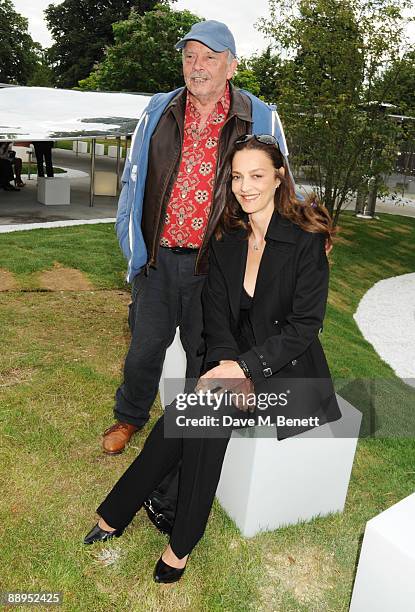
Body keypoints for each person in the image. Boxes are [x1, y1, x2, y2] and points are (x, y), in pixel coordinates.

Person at [84, 134, 342, 583]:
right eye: (237, 176)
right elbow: (216, 318)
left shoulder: (305, 241)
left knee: (200, 411)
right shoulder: (227, 238)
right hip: (235, 360)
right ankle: (156, 528)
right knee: (195, 412)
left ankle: (158, 531)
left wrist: (244, 369)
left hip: (290, 374)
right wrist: (225, 364)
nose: (246, 187)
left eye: (257, 175)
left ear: (279, 177)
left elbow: (305, 328)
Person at [102, 20, 292, 533]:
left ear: (231, 64)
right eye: (189, 57)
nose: (197, 66)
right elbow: (134, 177)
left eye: (209, 57)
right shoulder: (159, 109)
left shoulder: (259, 116)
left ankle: (184, 440)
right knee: (144, 347)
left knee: (205, 360)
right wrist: (132, 244)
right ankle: (129, 416)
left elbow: (278, 184)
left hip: (215, 268)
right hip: (160, 259)